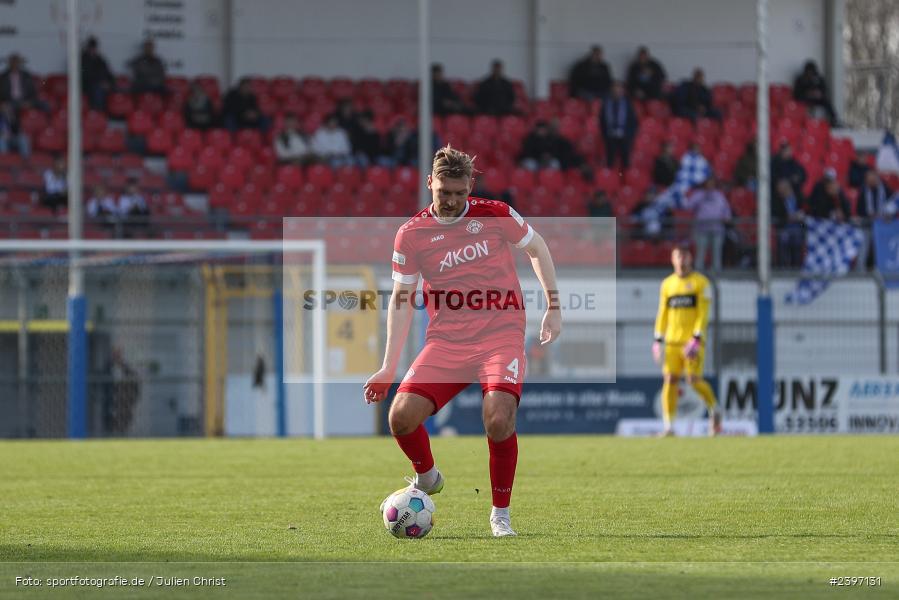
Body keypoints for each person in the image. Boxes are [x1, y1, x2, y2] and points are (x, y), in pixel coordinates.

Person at [363, 145, 562, 537]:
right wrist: (388, 365)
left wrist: (553, 305)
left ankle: (500, 515)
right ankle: (428, 476)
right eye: (443, 192)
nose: (452, 201)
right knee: (400, 417)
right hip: (447, 341)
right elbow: (402, 300)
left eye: (459, 192)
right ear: (429, 184)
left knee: (498, 418)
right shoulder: (411, 235)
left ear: (470, 186)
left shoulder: (497, 214)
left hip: (500, 335)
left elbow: (538, 248)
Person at [652, 244, 721, 437]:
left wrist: (697, 337)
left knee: (693, 380)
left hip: (692, 342)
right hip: (672, 342)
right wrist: (658, 339)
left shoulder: (701, 283)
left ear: (690, 258)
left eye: (684, 256)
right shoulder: (667, 284)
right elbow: (662, 313)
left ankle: (715, 409)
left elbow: (703, 312)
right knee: (669, 380)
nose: (681, 260)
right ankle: (669, 427)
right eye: (678, 256)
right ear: (672, 260)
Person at [685, 176, 732, 272]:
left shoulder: (719, 195)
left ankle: (717, 273)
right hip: (702, 229)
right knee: (701, 252)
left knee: (717, 252)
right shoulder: (698, 195)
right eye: (708, 183)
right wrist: (701, 197)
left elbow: (726, 209)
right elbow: (689, 205)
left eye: (712, 183)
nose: (710, 185)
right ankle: (698, 272)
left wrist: (727, 217)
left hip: (717, 228)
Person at [855, 169, 895, 271]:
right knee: (863, 242)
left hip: (883, 224)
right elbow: (859, 210)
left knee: (884, 244)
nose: (871, 182)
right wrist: (870, 216)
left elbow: (893, 206)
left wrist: (887, 215)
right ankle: (860, 268)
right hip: (867, 223)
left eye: (873, 179)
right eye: (869, 180)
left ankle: (883, 267)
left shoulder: (886, 189)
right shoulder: (863, 191)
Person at [600, 81, 637, 168]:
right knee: (610, 160)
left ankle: (624, 178)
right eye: (615, 89)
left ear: (622, 91)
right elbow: (602, 121)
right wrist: (605, 134)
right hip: (610, 135)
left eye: (619, 89)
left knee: (625, 161)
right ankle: (611, 179)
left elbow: (633, 121)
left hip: (624, 136)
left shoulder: (628, 104)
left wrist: (630, 135)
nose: (617, 91)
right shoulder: (606, 103)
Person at [771, 178, 805, 268]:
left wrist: (801, 216)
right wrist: (788, 218)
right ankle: (783, 268)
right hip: (784, 227)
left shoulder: (798, 197)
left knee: (797, 239)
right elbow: (777, 214)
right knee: (783, 239)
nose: (780, 191)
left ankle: (796, 267)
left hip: (798, 227)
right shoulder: (777, 201)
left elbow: (806, 209)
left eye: (781, 189)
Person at [793, 60, 838, 125]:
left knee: (826, 101)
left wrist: (819, 93)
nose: (810, 73)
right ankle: (804, 122)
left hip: (816, 99)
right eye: (808, 71)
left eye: (811, 71)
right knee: (801, 103)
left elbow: (824, 89)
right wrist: (807, 93)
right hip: (804, 99)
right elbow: (796, 93)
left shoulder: (818, 78)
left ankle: (833, 119)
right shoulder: (800, 79)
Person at [81, 36, 115, 111]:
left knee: (117, 89)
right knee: (98, 90)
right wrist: (101, 83)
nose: (93, 50)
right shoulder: (82, 59)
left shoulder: (100, 59)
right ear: (88, 48)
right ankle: (98, 113)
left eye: (94, 48)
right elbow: (86, 75)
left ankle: (114, 112)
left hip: (102, 84)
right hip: (88, 85)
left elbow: (108, 73)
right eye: (91, 47)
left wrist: (110, 83)